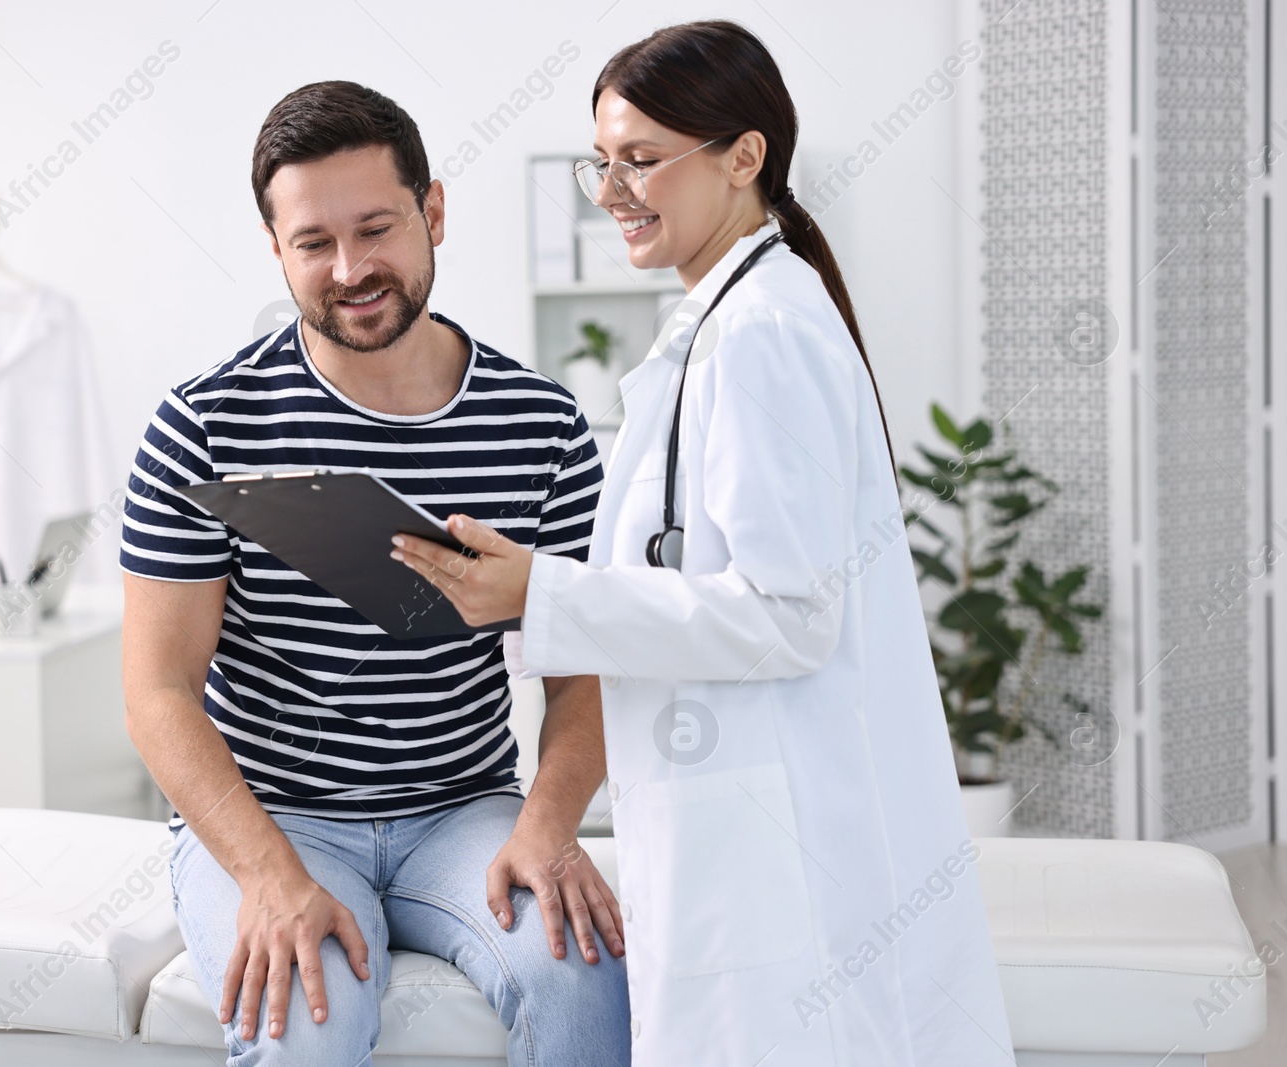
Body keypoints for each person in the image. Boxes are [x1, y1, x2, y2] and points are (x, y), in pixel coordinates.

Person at [390, 19, 1017, 1065]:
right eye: (604, 162)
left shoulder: (764, 329)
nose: (612, 191)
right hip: (732, 829)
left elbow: (790, 612)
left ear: (743, 156)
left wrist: (541, 594)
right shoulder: (725, 318)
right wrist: (539, 587)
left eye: (641, 161)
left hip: (778, 857)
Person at [118, 81, 630, 1065]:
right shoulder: (205, 424)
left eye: (377, 228)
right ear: (276, 247)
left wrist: (549, 822)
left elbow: (585, 666)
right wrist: (267, 874)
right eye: (314, 242)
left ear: (432, 211)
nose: (352, 269)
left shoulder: (543, 426)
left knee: (584, 977)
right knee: (307, 1018)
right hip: (277, 812)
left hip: (464, 806)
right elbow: (157, 691)